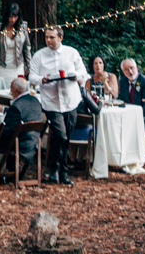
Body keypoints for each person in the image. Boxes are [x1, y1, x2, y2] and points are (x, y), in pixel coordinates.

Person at [28, 26, 88, 185]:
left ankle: (60, 171)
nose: (48, 40)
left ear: (60, 38)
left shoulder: (71, 53)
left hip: (70, 100)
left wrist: (77, 76)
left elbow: (83, 72)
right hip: (51, 102)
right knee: (60, 134)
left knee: (64, 137)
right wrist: (42, 79)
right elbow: (31, 77)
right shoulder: (39, 55)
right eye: (47, 37)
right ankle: (56, 169)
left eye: (52, 37)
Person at [0, 77, 44, 180]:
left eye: (11, 89)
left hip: (20, 143)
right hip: (34, 141)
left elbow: (7, 131)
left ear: (17, 91)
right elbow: (24, 113)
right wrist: (4, 110)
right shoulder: (35, 101)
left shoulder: (16, 106)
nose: (10, 92)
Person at [0, 3, 31, 79]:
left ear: (18, 16)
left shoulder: (23, 27)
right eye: (10, 16)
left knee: (17, 88)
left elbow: (26, 48)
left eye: (15, 16)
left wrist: (28, 65)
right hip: (0, 66)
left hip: (17, 66)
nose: (12, 19)